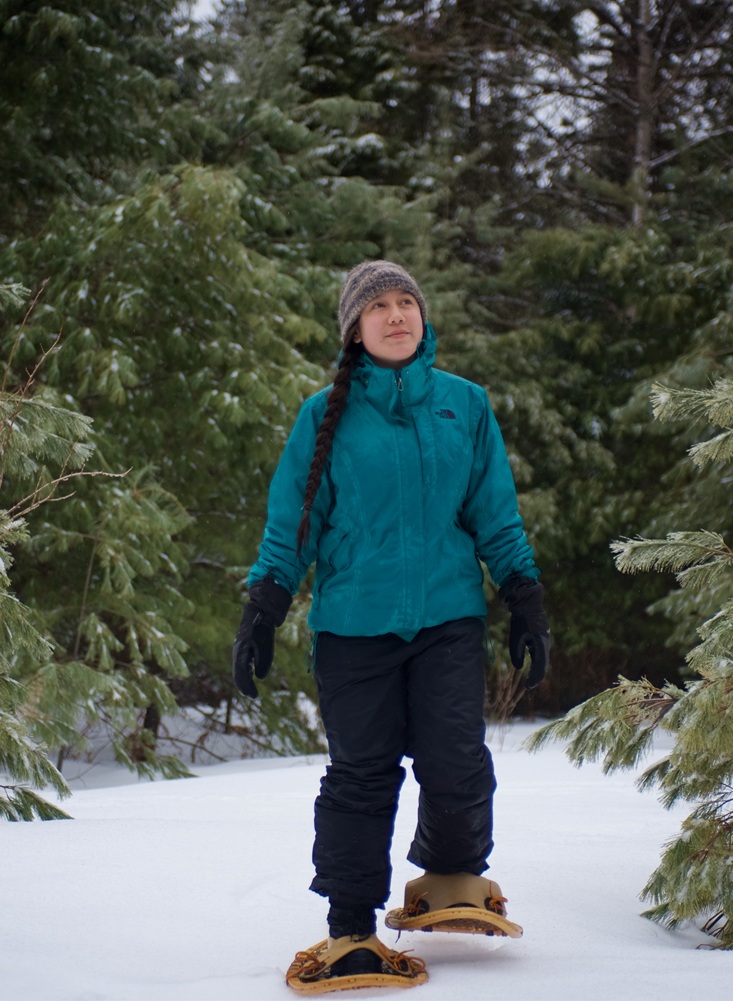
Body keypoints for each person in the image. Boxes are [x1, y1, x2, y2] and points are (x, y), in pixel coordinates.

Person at [232, 260, 551, 994]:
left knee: (455, 758)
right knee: (361, 774)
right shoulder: (325, 415)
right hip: (354, 626)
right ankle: (350, 927)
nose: (397, 314)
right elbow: (294, 523)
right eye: (379, 306)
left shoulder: (464, 406)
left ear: (423, 317)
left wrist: (524, 598)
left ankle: (450, 873)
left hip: (446, 618)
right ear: (355, 328)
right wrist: (263, 608)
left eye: (407, 302)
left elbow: (494, 513)